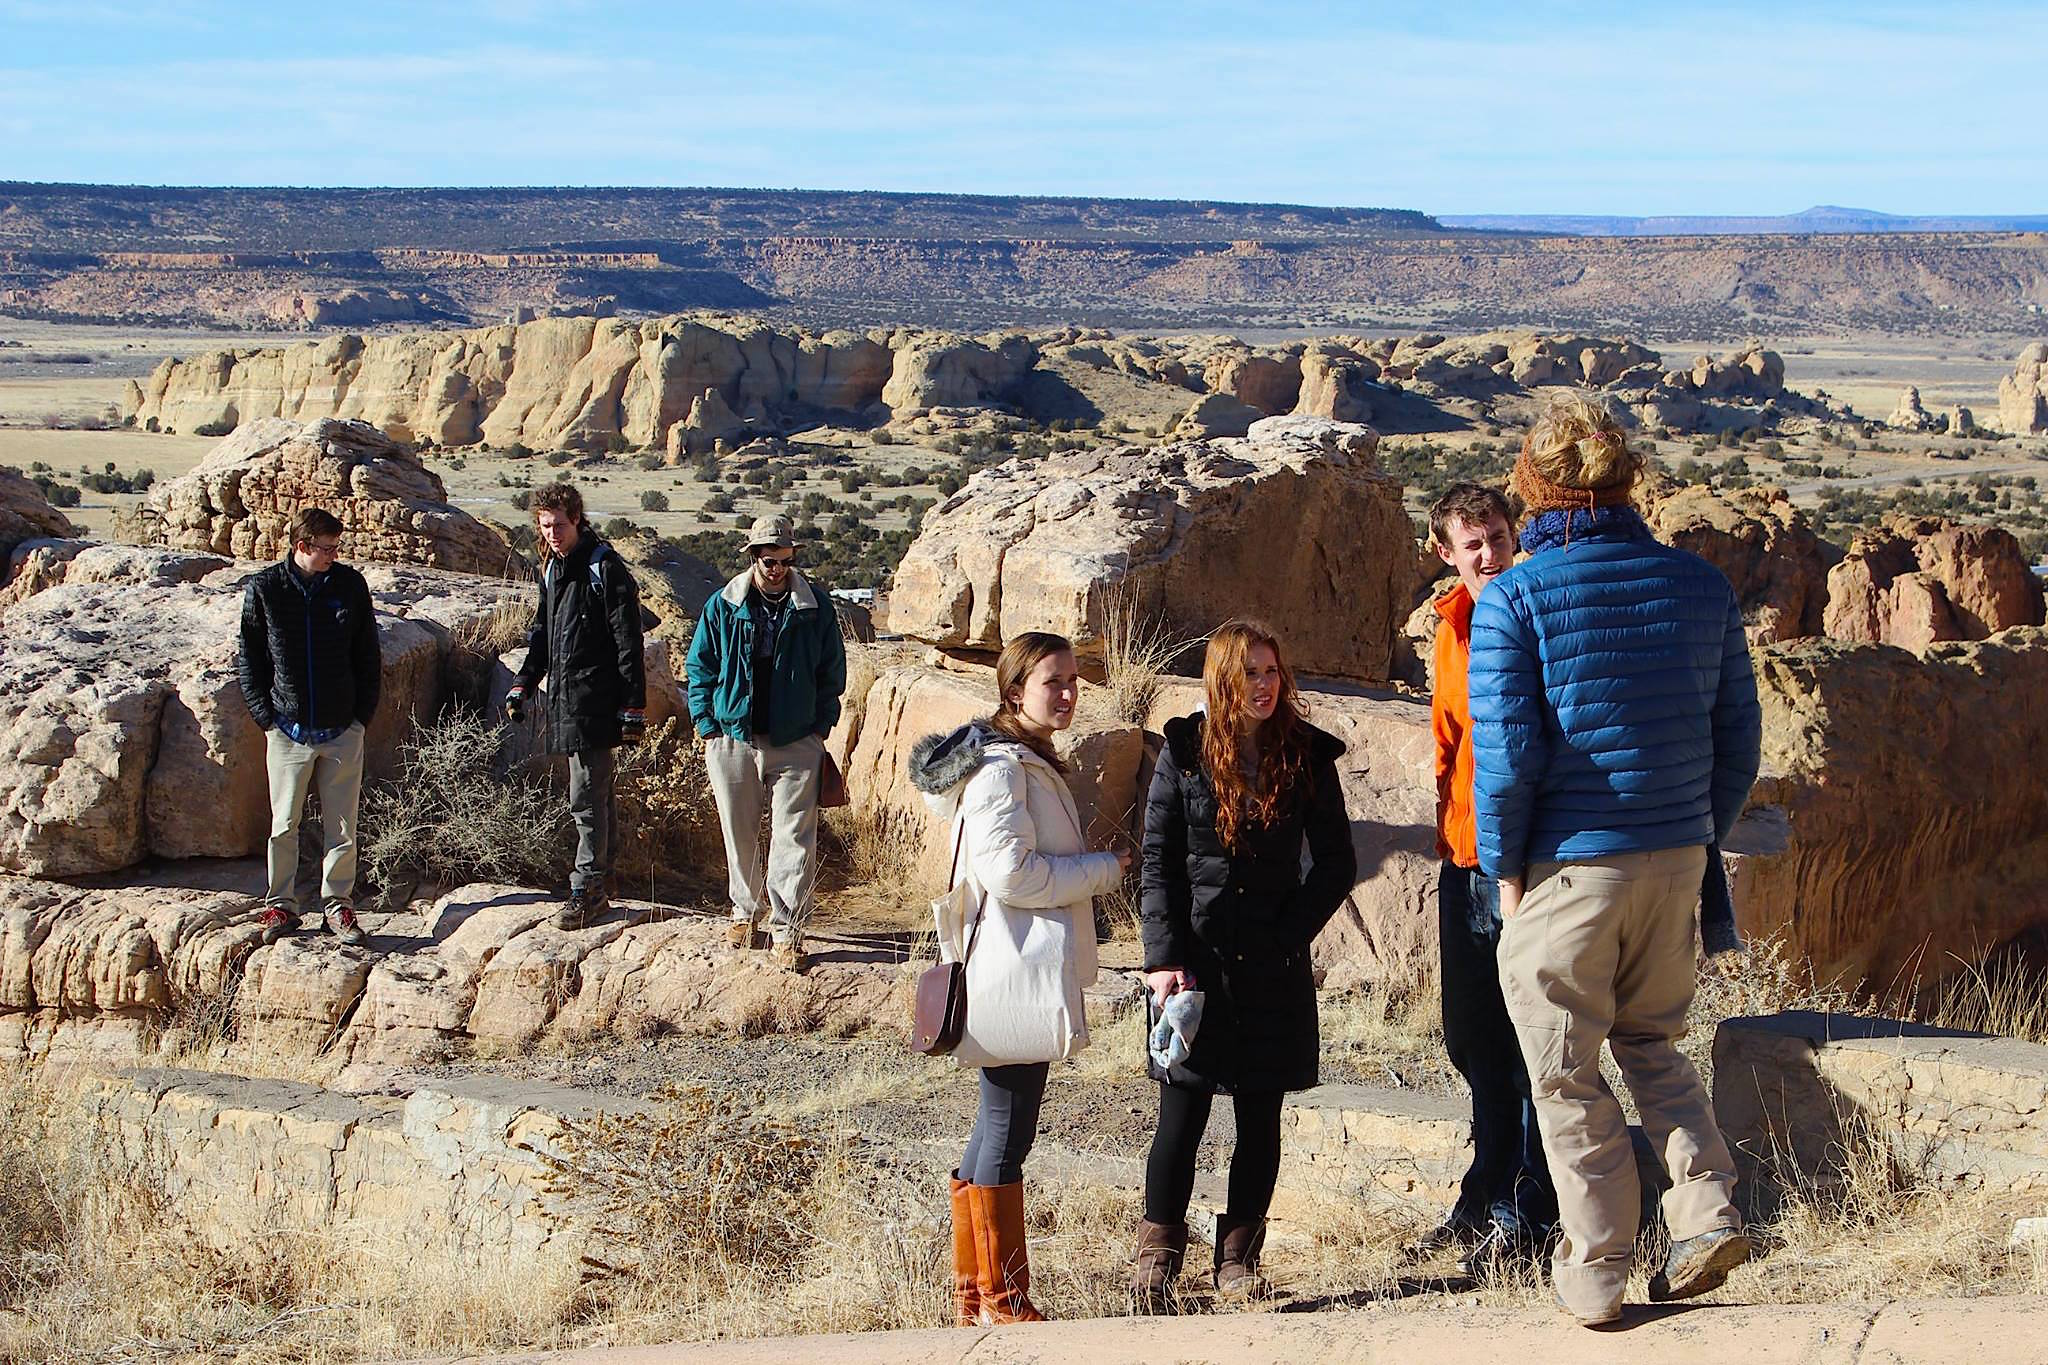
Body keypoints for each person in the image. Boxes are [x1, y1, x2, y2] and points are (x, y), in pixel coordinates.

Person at [1469, 394, 1762, 1327]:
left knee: (1564, 1074)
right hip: (1677, 858)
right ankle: (1705, 1208)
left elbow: (1509, 756)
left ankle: (1597, 1272)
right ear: (1626, 478)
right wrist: (1693, 828)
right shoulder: (1701, 585)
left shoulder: (1516, 596)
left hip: (1567, 870)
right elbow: (1739, 738)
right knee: (1652, 1046)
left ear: (1532, 486)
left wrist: (1501, 870)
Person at [1128, 619, 1356, 1312]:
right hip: (1194, 965)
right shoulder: (1186, 750)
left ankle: (1237, 1261)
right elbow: (1160, 859)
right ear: (1222, 679)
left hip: (1272, 962)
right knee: (1182, 1113)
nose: (1264, 685)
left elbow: (1337, 862)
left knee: (1260, 1115)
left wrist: (1288, 934)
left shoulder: (1307, 754)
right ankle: (1157, 1258)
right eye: (1249, 672)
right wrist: (1163, 959)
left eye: (1271, 671)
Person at [908, 631, 1130, 1326]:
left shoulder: (1018, 760)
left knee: (993, 1125)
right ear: (1013, 692)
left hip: (1013, 963)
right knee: (1008, 1131)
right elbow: (1011, 874)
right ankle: (1003, 1299)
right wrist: (1104, 869)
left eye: (1072, 681)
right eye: (1051, 682)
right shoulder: (1006, 768)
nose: (1067, 694)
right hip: (1014, 969)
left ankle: (975, 1294)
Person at [1412, 482, 1558, 1277]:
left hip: (1527, 862)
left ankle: (1529, 1209)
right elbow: (1447, 739)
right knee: (1473, 1035)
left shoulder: (1534, 610)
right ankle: (1487, 1186)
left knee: (1533, 1037)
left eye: (1499, 535)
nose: (1491, 552)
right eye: (1474, 542)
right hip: (1464, 856)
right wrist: (1447, 835)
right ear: (1446, 551)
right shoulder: (1449, 625)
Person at [686, 514, 847, 973]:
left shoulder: (814, 606)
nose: (774, 568)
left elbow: (831, 672)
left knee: (794, 836)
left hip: (796, 739)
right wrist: (706, 724)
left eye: (782, 559)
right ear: (752, 557)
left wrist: (821, 727)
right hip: (733, 736)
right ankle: (745, 911)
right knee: (738, 832)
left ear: (792, 557)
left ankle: (787, 929)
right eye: (765, 558)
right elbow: (701, 667)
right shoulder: (723, 604)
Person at [503, 482, 645, 931]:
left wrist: (633, 708)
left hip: (597, 702)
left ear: (578, 520)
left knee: (584, 797)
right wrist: (524, 683)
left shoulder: (604, 569)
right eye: (544, 526)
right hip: (567, 700)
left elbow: (628, 642)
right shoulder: (553, 570)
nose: (551, 533)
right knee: (595, 794)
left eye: (559, 525)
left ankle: (589, 890)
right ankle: (605, 879)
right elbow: (542, 635)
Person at [236, 506, 380, 947]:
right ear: (302, 546)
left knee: (342, 828)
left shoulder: (349, 586)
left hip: (341, 730)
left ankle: (337, 906)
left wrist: (360, 719)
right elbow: (250, 657)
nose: (334, 556)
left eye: (336, 548)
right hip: (287, 730)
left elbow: (368, 655)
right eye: (327, 549)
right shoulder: (266, 589)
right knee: (284, 824)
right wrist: (266, 718)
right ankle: (280, 904)